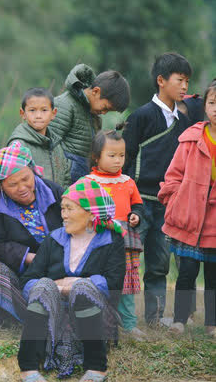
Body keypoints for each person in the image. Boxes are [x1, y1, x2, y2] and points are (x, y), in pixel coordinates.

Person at [18, 178, 125, 382]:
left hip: (94, 314)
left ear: (90, 213)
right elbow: (28, 280)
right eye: (62, 209)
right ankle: (28, 368)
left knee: (84, 287)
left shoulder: (111, 240)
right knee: (42, 286)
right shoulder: (54, 239)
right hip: (53, 313)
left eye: (69, 209)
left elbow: (114, 284)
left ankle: (96, 368)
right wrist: (54, 287)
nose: (63, 215)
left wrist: (76, 284)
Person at [122, 52, 192, 325]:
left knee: (160, 264)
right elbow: (125, 157)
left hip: (167, 204)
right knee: (127, 259)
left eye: (188, 81)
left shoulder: (185, 123)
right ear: (161, 81)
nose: (185, 86)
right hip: (138, 201)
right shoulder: (141, 116)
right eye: (180, 80)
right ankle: (123, 318)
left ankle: (154, 319)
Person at [0, 142, 65, 321]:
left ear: (33, 171)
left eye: (26, 179)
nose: (22, 188)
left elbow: (74, 226)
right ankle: (20, 314)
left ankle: (57, 310)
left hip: (59, 263)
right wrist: (31, 258)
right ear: (0, 185)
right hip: (22, 269)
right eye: (13, 184)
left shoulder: (53, 191)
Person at [158, 83, 216, 338]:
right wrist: (173, 200)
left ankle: (212, 323)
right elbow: (174, 174)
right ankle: (180, 320)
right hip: (190, 214)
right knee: (187, 271)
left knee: (214, 276)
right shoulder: (191, 138)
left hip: (214, 219)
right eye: (213, 103)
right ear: (205, 105)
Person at [86, 130, 146, 339]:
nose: (118, 160)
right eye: (111, 156)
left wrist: (136, 216)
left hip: (125, 238)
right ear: (96, 156)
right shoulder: (89, 182)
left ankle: (129, 324)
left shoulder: (128, 181)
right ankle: (101, 321)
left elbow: (137, 204)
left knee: (127, 283)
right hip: (99, 238)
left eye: (121, 155)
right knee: (101, 281)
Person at [49, 64, 130, 183]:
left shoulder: (93, 115)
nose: (103, 113)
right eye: (105, 108)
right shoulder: (65, 105)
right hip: (63, 184)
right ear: (96, 91)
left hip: (79, 183)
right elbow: (50, 147)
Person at [8, 87, 71, 189]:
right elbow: (15, 182)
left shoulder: (56, 144)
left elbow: (66, 177)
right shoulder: (18, 145)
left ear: (53, 113)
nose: (38, 115)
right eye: (32, 110)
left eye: (44, 110)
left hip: (58, 201)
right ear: (23, 113)